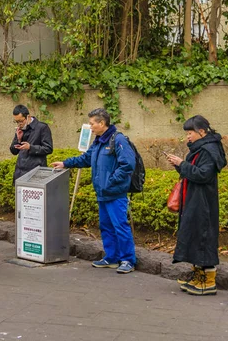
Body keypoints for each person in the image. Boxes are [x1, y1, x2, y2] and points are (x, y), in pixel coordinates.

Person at [51, 108, 136, 274]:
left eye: (92, 123)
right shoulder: (98, 142)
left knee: (120, 226)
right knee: (106, 226)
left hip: (115, 193)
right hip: (103, 193)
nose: (90, 127)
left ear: (102, 123)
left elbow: (128, 165)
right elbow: (86, 159)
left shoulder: (117, 140)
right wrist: (65, 163)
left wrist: (111, 181)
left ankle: (128, 260)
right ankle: (112, 258)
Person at [165, 115, 226, 295]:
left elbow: (203, 175)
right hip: (195, 200)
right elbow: (194, 172)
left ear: (202, 131)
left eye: (190, 133)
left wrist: (181, 163)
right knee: (195, 236)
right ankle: (199, 276)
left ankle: (208, 282)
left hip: (203, 203)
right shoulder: (201, 149)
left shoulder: (209, 150)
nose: (187, 137)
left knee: (203, 237)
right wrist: (179, 165)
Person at [10, 105, 53, 181]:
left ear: (28, 117)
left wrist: (30, 147)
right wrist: (18, 140)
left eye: (21, 121)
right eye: (16, 121)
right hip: (20, 173)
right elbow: (14, 151)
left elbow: (48, 148)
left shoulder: (42, 127)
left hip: (36, 173)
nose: (19, 124)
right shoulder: (20, 129)